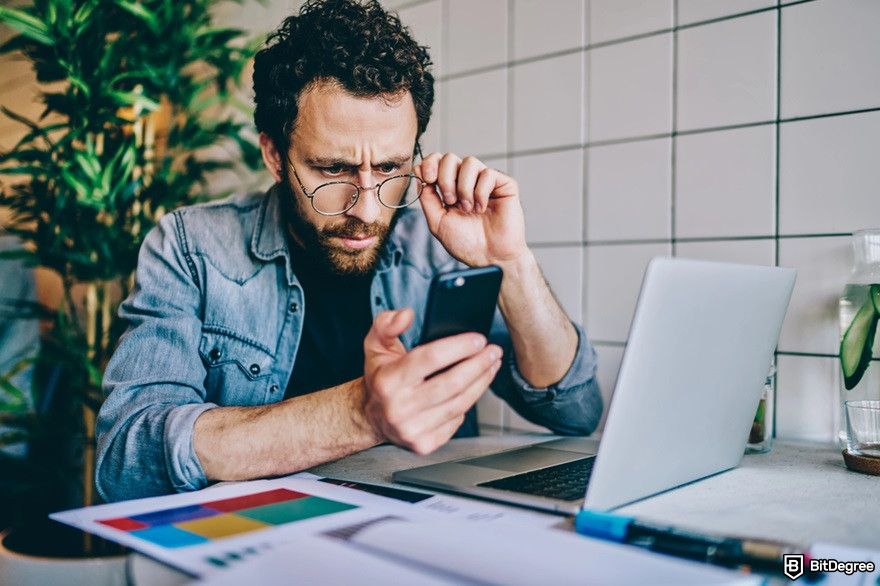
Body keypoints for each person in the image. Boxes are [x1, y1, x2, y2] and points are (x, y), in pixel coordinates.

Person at [95, 0, 602, 502]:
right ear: (274, 154)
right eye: (333, 170)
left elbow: (575, 412)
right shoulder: (191, 247)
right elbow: (126, 459)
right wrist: (361, 413)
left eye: (388, 169)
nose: (366, 208)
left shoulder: (441, 242)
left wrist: (511, 262)